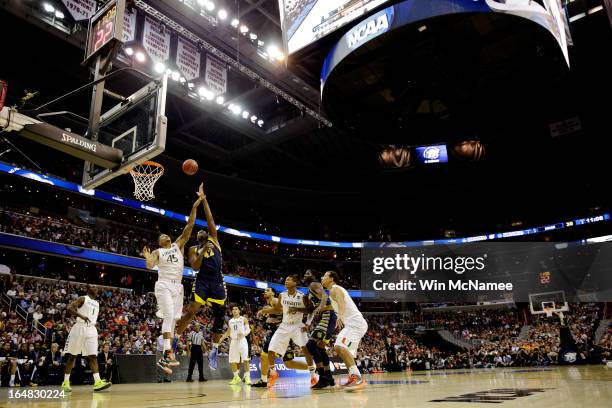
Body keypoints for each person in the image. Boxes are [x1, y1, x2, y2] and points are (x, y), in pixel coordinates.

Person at [144, 185, 204, 372]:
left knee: (173, 320)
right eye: (160, 236)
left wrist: (195, 206)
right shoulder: (157, 251)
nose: (164, 235)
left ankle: (164, 357)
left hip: (177, 287)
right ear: (160, 243)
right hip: (163, 285)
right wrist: (147, 258)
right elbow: (150, 265)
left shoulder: (178, 245)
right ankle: (168, 353)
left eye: (165, 234)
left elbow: (189, 226)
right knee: (169, 316)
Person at [176, 182, 226, 370]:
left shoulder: (214, 238)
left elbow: (210, 218)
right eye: (199, 232)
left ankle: (213, 350)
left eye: (203, 230)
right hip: (203, 280)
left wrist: (204, 200)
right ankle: (174, 340)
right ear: (198, 238)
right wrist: (204, 248)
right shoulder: (194, 248)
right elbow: (195, 267)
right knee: (192, 310)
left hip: (218, 282)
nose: (202, 230)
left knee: (219, 318)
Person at [257, 275, 315, 388]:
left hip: (298, 326)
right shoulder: (282, 295)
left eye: (289, 280)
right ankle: (273, 373)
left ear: (295, 283)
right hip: (284, 326)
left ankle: (313, 375)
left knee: (305, 350)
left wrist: (307, 324)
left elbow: (311, 311)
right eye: (286, 279)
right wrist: (264, 310)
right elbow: (278, 309)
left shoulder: (302, 296)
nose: (286, 281)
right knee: (271, 350)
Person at [322, 270, 368, 390]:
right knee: (342, 349)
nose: (322, 278)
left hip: (355, 324)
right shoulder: (333, 291)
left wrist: (340, 317)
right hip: (354, 324)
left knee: (339, 346)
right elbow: (336, 305)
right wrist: (322, 308)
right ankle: (353, 377)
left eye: (324, 276)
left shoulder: (335, 289)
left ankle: (357, 378)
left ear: (331, 279)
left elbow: (341, 304)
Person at [61, 286, 111, 392]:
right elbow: (70, 308)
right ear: (89, 290)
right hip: (79, 327)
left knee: (93, 356)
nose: (96, 288)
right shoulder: (83, 298)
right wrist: (81, 316)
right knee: (72, 356)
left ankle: (97, 382)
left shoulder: (97, 303)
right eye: (93, 287)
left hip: (91, 329)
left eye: (97, 288)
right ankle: (65, 382)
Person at [301, 270, 337, 389]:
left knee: (311, 345)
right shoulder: (309, 291)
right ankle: (329, 377)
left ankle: (323, 377)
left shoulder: (314, 284)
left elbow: (325, 295)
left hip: (328, 315)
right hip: (326, 316)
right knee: (320, 347)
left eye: (308, 273)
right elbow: (311, 310)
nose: (306, 275)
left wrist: (321, 306)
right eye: (304, 273)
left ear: (313, 276)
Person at [219, 306, 251, 385]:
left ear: (239, 311)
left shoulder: (244, 319)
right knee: (233, 361)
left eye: (236, 309)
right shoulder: (230, 321)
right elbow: (228, 332)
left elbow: (248, 330)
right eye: (233, 309)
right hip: (233, 342)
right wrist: (221, 338)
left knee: (245, 360)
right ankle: (236, 377)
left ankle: (247, 378)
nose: (234, 310)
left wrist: (243, 333)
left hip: (242, 340)